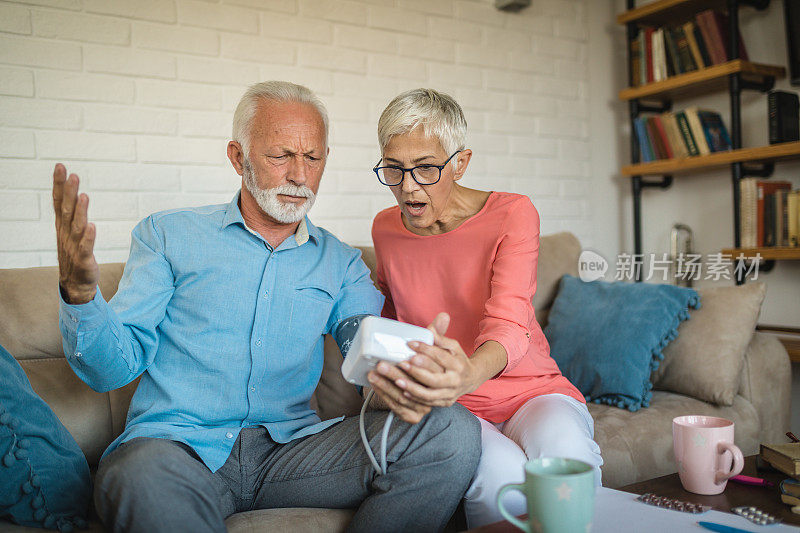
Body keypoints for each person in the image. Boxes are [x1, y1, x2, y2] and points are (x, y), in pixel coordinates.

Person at [52, 81, 481, 533]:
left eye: (312, 158)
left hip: (293, 455)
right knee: (138, 474)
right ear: (238, 157)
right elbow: (110, 371)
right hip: (179, 450)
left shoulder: (341, 263)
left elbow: (364, 344)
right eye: (281, 156)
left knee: (451, 430)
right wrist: (81, 298)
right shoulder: (167, 236)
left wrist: (396, 379)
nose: (300, 175)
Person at [368, 88, 604, 527]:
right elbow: (389, 316)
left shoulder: (513, 213)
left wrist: (466, 375)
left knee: (570, 460)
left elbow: (510, 325)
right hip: (454, 410)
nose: (407, 186)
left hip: (530, 389)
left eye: (425, 168)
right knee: (500, 484)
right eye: (394, 169)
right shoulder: (385, 227)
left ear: (460, 162)